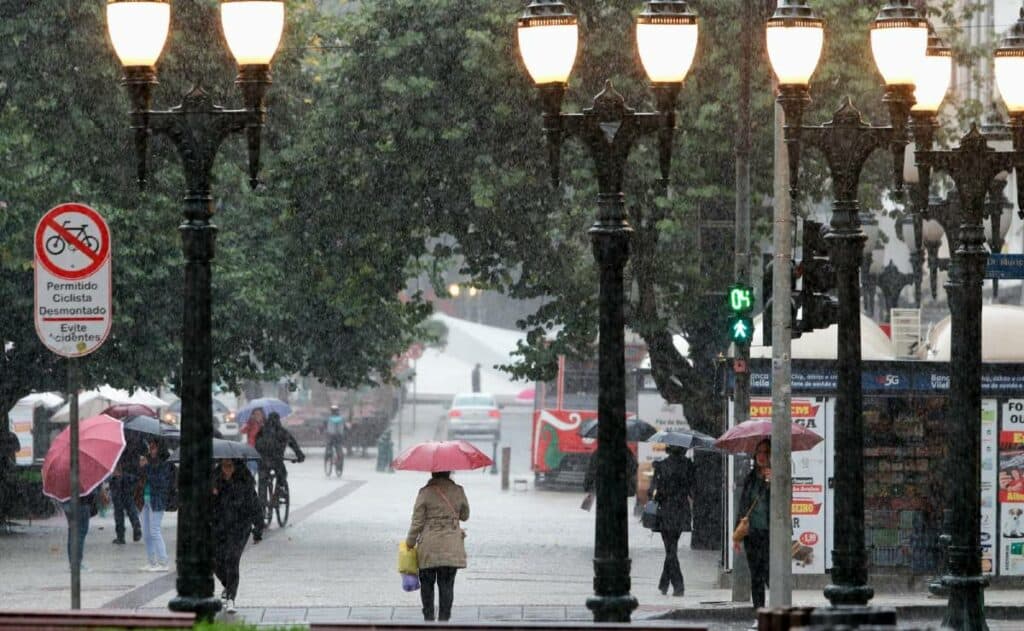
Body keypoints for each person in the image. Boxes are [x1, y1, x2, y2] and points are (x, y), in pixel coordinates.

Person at [405, 471, 470, 621]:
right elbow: (465, 516)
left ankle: (428, 620)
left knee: (427, 585)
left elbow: (417, 522)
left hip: (428, 548)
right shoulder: (458, 491)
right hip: (451, 548)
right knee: (447, 586)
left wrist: (410, 543)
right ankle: (444, 622)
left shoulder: (425, 493)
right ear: (449, 473)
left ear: (433, 473)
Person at [211, 458, 263, 614]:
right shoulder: (214, 481)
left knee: (232, 558)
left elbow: (255, 505)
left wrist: (258, 528)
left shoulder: (244, 482)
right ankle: (228, 586)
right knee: (215, 559)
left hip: (240, 527)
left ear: (235, 467)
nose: (226, 470)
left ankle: (231, 597)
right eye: (223, 466)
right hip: (219, 527)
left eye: (229, 466)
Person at [649, 445, 694, 596]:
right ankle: (665, 583)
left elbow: (653, 493)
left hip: (666, 511)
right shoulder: (688, 466)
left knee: (670, 549)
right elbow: (692, 490)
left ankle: (678, 585)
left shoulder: (661, 466)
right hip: (681, 511)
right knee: (672, 548)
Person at [735, 439, 771, 614]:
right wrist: (737, 534)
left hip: (771, 533)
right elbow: (743, 506)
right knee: (756, 575)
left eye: (766, 452)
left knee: (770, 575)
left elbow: (784, 503)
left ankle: (777, 611)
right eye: (759, 452)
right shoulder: (750, 478)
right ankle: (760, 612)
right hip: (752, 533)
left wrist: (772, 483)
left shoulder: (776, 477)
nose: (762, 456)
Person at [137, 438, 175, 571]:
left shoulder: (165, 462)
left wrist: (146, 467)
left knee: (154, 530)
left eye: (153, 448)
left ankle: (163, 561)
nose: (151, 450)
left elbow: (160, 482)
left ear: (160, 449)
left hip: (157, 499)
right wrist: (142, 467)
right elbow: (141, 479)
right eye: (150, 447)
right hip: (145, 500)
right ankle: (151, 561)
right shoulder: (147, 460)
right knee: (146, 532)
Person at [255, 412, 305, 501]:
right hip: (276, 460)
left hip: (263, 461)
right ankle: (278, 492)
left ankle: (262, 502)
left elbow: (256, 444)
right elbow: (293, 443)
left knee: (262, 479)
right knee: (282, 474)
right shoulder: (282, 431)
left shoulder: (262, 431)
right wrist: (299, 455)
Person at [110, 433, 143, 544]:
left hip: (118, 476)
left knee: (118, 508)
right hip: (132, 476)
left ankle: (121, 536)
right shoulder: (137, 434)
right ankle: (136, 525)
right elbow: (144, 450)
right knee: (129, 502)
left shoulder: (117, 434)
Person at [61, 490, 96, 571]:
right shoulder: (83, 478)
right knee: (80, 532)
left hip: (67, 502)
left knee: (72, 531)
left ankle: (73, 563)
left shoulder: (63, 478)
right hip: (81, 503)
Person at [324, 405, 347, 472]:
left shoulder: (328, 418)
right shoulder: (341, 419)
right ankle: (339, 467)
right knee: (340, 453)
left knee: (328, 448)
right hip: (338, 438)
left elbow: (323, 426)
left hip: (330, 437)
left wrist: (320, 430)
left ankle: (328, 458)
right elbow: (345, 427)